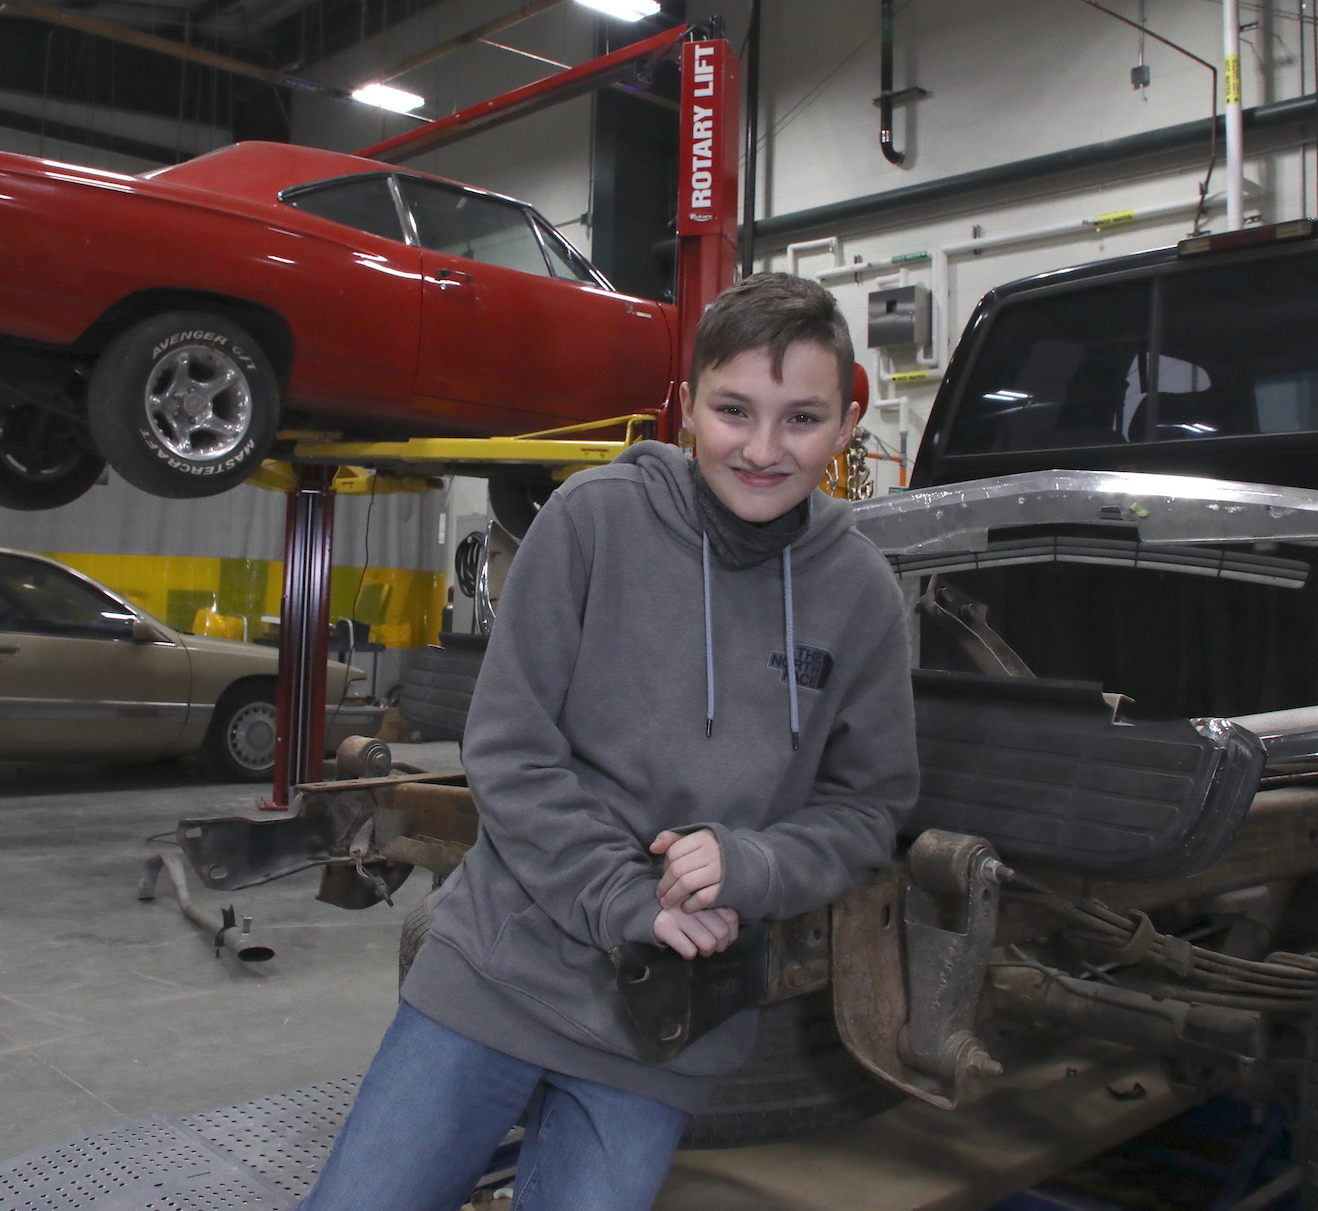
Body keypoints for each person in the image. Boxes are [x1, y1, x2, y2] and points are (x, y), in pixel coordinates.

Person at [300, 273, 920, 1211]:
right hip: (503, 969)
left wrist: (753, 863)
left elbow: (870, 804)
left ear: (843, 426)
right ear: (684, 409)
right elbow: (509, 750)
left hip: (668, 1016)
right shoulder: (595, 521)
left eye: (800, 419)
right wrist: (627, 895)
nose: (761, 448)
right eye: (734, 410)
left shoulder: (861, 591)